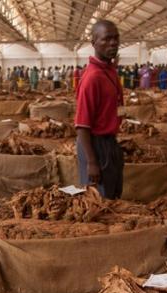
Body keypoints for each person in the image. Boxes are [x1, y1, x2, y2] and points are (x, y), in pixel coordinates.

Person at [74, 20, 124, 199]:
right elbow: (82, 125)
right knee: (97, 200)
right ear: (94, 42)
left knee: (112, 194)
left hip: (109, 141)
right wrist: (92, 161)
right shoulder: (92, 78)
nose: (113, 43)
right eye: (107, 39)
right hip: (95, 145)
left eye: (116, 38)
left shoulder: (109, 70)